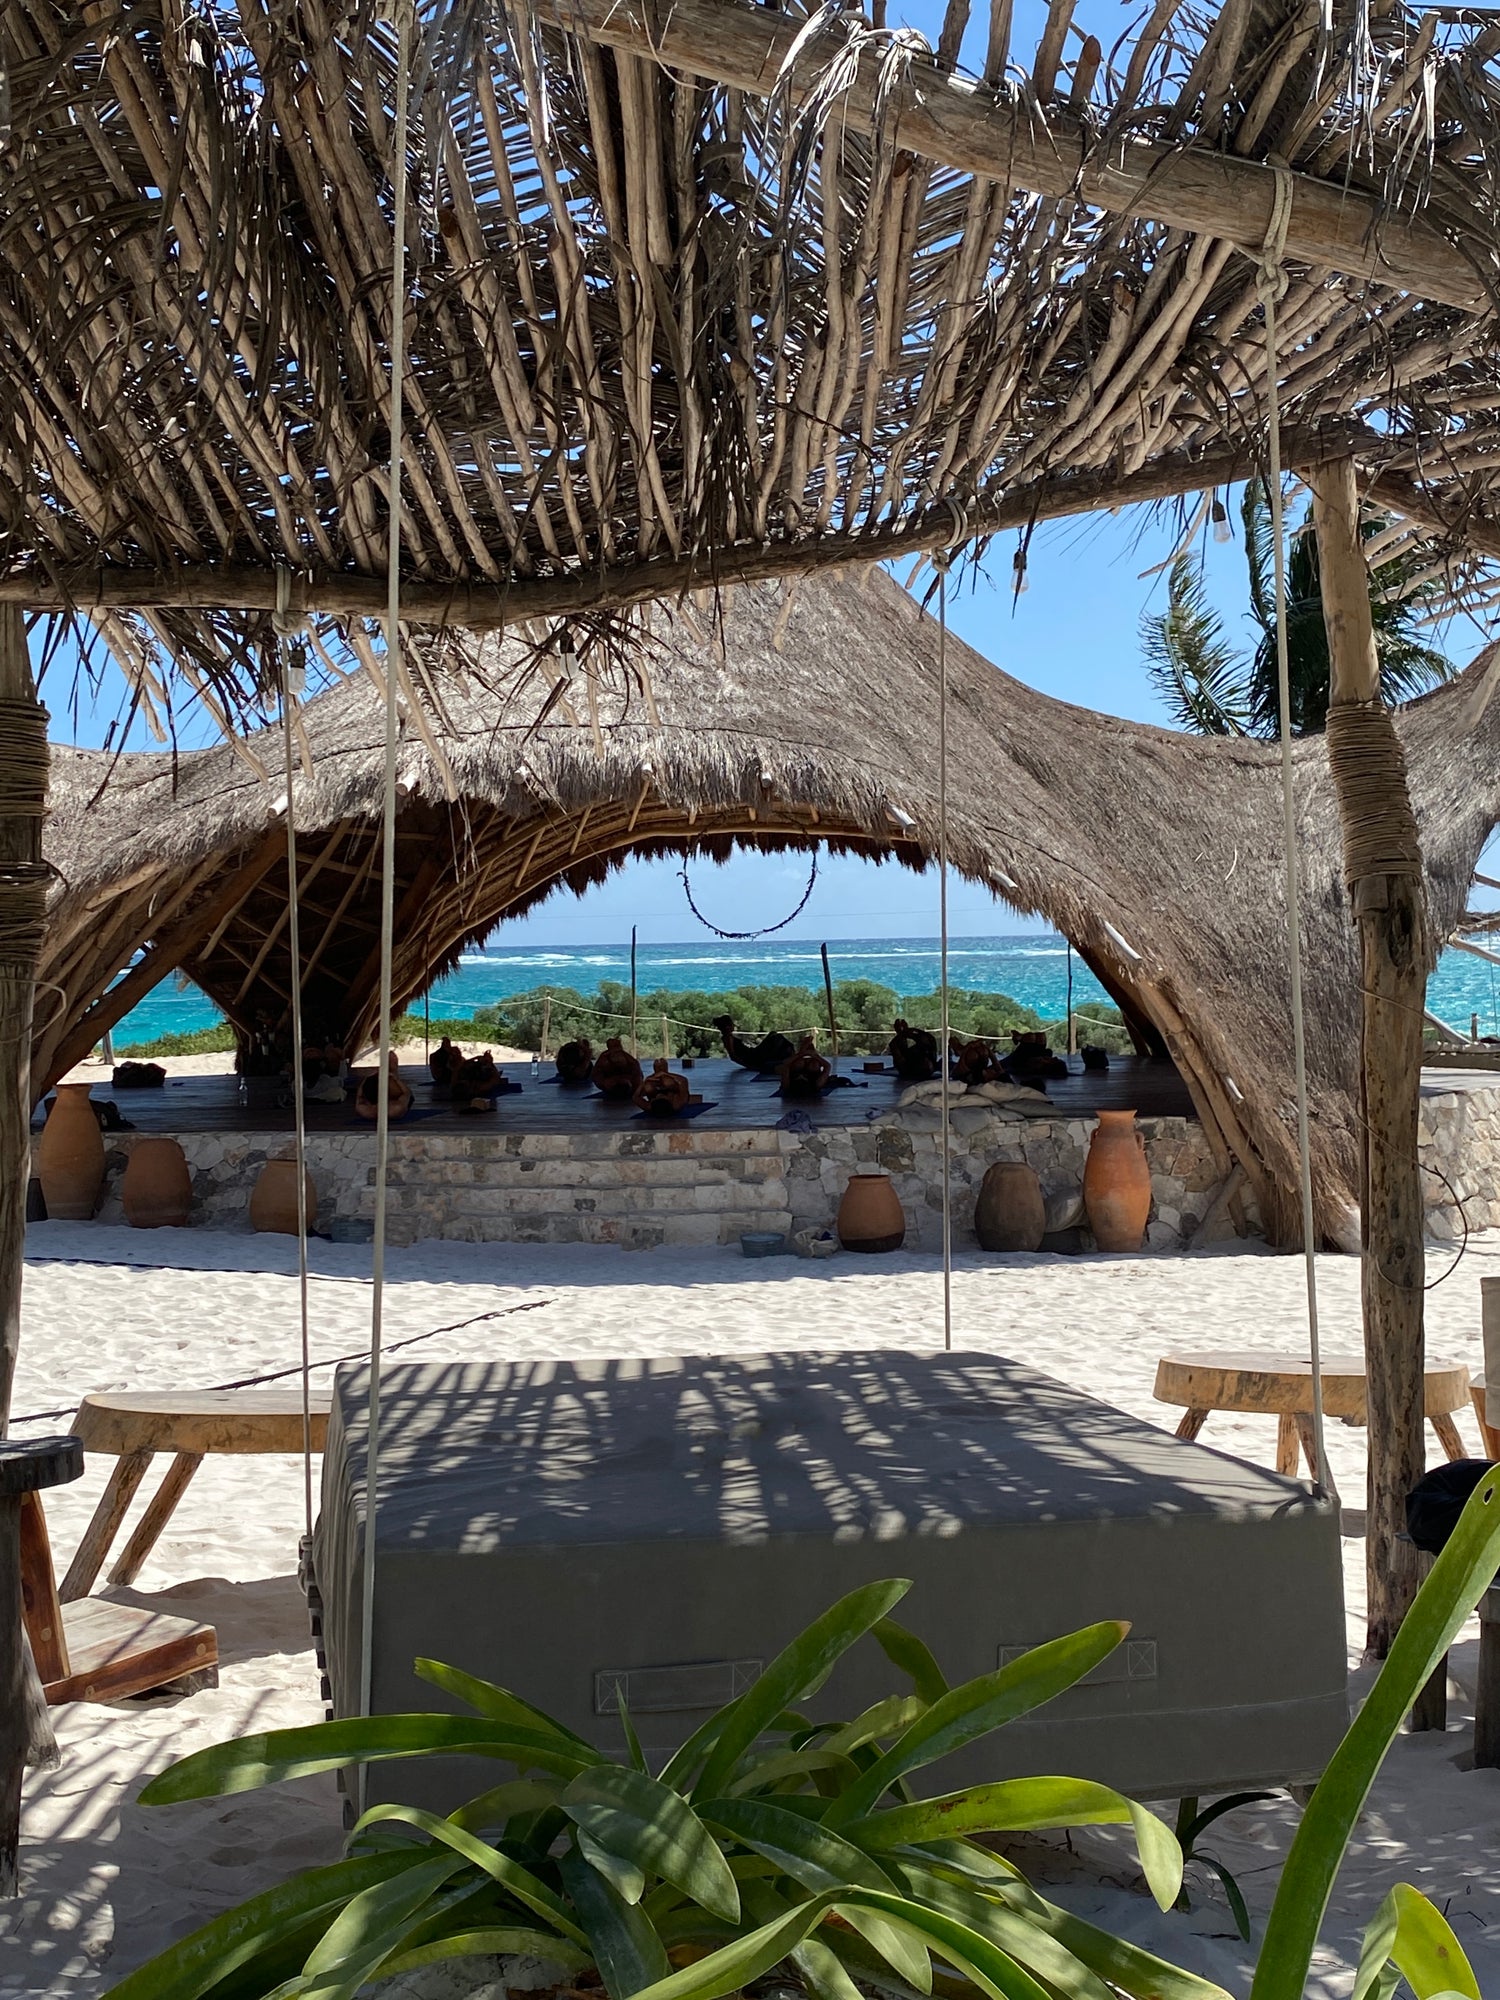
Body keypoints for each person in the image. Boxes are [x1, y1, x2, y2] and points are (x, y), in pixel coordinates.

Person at [355, 1051, 413, 1122]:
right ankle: (392, 1071)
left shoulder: (363, 1108)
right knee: (391, 1080)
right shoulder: (395, 1108)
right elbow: (407, 1093)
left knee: (389, 1079)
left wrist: (366, 1078)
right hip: (393, 1102)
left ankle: (390, 1071)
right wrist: (396, 1079)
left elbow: (359, 1095)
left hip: (379, 1102)